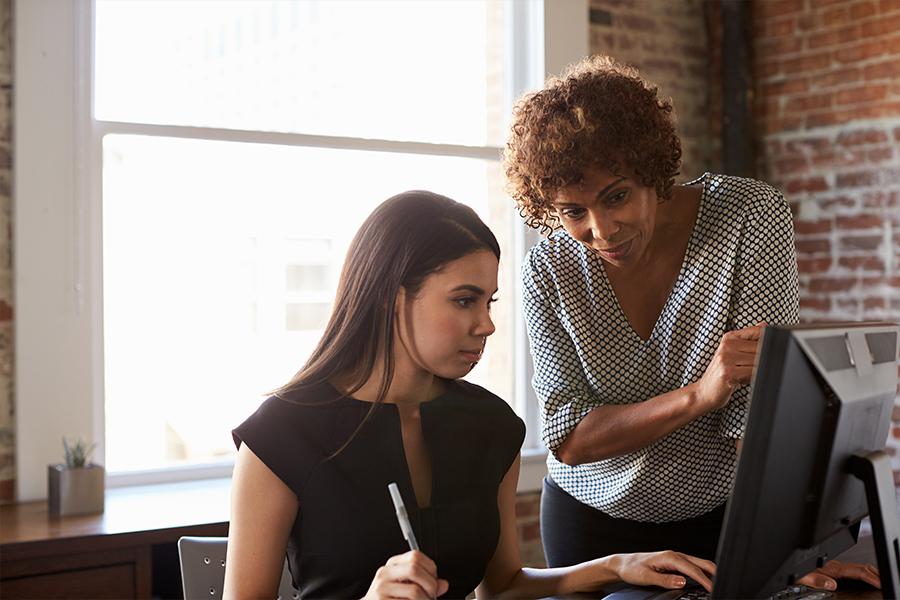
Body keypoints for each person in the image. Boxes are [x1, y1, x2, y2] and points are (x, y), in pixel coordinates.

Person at [224, 190, 720, 600]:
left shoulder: (491, 426)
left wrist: (616, 566)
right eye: (464, 300)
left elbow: (502, 586)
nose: (486, 325)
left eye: (488, 302)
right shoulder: (280, 437)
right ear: (391, 296)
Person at [502, 55, 880, 591]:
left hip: (724, 519)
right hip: (592, 525)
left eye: (616, 196)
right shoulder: (550, 267)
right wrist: (701, 393)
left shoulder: (747, 216)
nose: (601, 230)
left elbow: (755, 414)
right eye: (572, 212)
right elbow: (568, 436)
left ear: (652, 170)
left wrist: (793, 552)